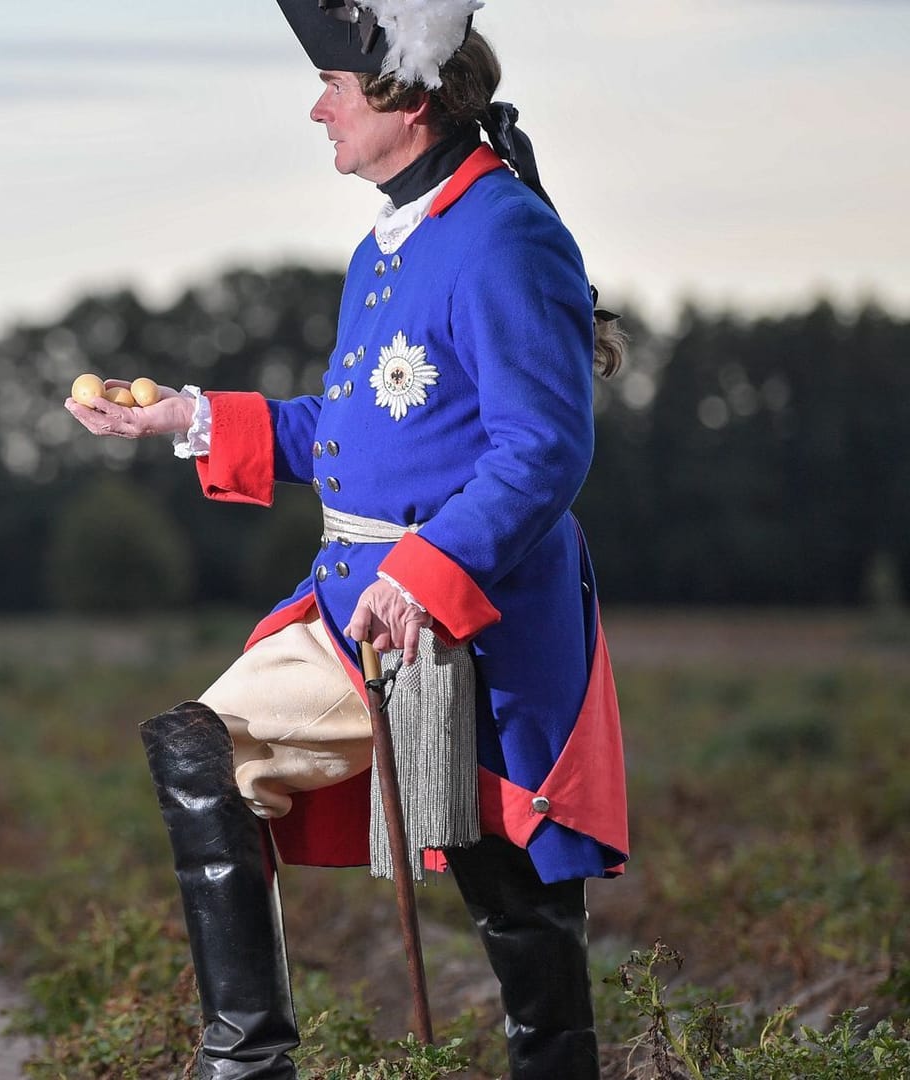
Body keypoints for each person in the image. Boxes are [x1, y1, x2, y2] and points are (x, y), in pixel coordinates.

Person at [67, 4, 627, 1078]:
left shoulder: (506, 235)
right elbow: (357, 430)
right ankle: (250, 1066)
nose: (318, 104)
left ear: (406, 98)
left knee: (522, 914)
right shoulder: (389, 240)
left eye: (335, 82)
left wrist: (429, 575)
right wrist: (183, 417)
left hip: (483, 624)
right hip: (351, 608)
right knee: (204, 753)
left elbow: (542, 449)